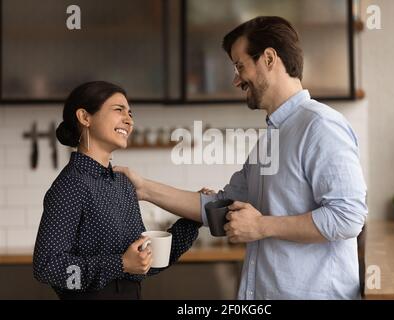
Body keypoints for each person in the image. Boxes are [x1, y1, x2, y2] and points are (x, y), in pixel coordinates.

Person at [115, 16, 367, 299]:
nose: (236, 79)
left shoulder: (320, 126)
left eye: (240, 65)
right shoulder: (269, 140)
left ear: (269, 59)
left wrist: (261, 226)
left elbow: (347, 217)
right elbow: (220, 207)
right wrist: (145, 188)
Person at [33, 81, 201, 300]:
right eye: (118, 110)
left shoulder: (122, 184)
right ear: (85, 117)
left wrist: (196, 216)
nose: (129, 119)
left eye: (130, 113)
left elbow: (144, 265)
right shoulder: (71, 185)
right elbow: (47, 267)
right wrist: (120, 264)